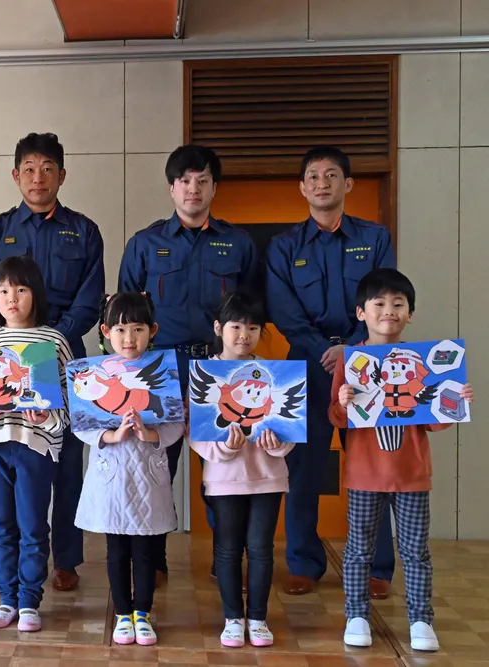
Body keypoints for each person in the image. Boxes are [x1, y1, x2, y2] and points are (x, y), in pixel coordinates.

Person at [118, 144, 258, 583]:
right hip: (161, 370)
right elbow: (125, 314)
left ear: (214, 186)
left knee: (224, 467)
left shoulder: (238, 243)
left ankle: (226, 560)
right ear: (171, 188)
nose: (193, 189)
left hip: (222, 371)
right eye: (184, 181)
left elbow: (252, 308)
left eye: (202, 180)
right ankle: (152, 559)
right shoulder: (145, 243)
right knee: (157, 466)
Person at [0, 132, 104, 592]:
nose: (38, 177)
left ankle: (65, 559)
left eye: (48, 168)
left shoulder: (84, 231)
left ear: (62, 176)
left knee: (65, 460)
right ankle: (7, 563)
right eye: (29, 168)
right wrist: (12, 349)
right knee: (6, 455)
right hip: (5, 365)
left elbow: (90, 302)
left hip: (65, 358)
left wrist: (48, 346)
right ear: (15, 175)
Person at [266, 146, 397, 597]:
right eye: (313, 176)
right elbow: (284, 312)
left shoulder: (374, 237)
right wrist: (326, 350)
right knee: (303, 466)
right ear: (303, 187)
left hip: (366, 367)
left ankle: (378, 567)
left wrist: (353, 350)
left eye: (332, 175)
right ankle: (303, 561)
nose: (322, 183)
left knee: (370, 464)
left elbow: (383, 299)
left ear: (348, 184)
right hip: (306, 367)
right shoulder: (284, 247)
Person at [331, 268, 473, 652]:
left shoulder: (423, 363)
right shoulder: (350, 361)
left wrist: (455, 402)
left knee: (415, 551)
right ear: (361, 312)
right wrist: (343, 401)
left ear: (410, 313)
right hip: (363, 473)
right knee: (358, 549)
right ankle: (356, 614)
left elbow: (432, 424)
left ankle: (421, 620)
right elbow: (337, 417)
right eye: (379, 303)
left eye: (398, 304)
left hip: (411, 473)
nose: (389, 311)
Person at [74, 292, 184, 647]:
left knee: (146, 548)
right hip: (111, 476)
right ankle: (123, 613)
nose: (129, 338)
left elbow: (176, 423)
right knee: (116, 548)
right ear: (106, 331)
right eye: (120, 329)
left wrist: (149, 433)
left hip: (148, 474)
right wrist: (112, 433)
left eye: (138, 329)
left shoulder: (163, 373)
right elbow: (82, 424)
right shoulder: (92, 373)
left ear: (152, 331)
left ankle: (143, 612)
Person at [0, 256, 72, 632]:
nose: (12, 298)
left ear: (36, 294)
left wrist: (47, 418)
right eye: (4, 290)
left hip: (35, 446)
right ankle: (7, 599)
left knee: (32, 526)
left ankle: (29, 601)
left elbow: (71, 401)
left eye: (21, 289)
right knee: (0, 526)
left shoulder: (53, 340)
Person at [189, 290, 294, 649]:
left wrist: (277, 444)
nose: (243, 335)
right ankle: (234, 618)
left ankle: (259, 618)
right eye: (235, 326)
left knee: (262, 549)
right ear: (219, 327)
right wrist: (225, 448)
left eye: (252, 328)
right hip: (223, 480)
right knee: (228, 550)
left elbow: (289, 431)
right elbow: (196, 433)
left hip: (268, 478)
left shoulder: (275, 375)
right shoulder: (205, 374)